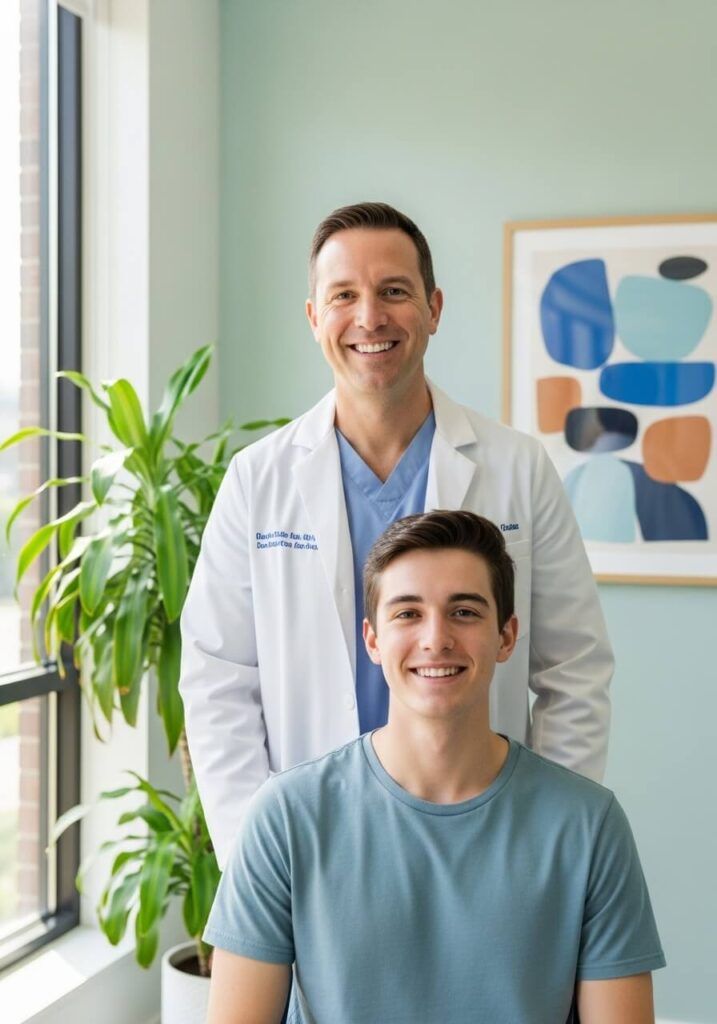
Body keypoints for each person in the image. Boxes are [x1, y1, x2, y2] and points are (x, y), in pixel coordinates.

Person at [180, 202, 614, 868]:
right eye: (343, 296)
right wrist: (253, 847)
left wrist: (549, 834)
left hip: (489, 830)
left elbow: (573, 668)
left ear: (433, 309)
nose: (368, 318)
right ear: (313, 318)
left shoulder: (515, 467)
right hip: (314, 838)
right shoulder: (257, 479)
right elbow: (217, 679)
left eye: (393, 292)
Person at [203, 511, 664, 1024]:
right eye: (407, 613)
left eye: (464, 612)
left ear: (507, 636)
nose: (436, 638)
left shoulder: (589, 825)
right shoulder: (286, 817)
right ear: (372, 639)